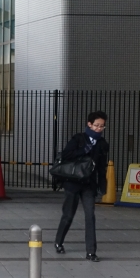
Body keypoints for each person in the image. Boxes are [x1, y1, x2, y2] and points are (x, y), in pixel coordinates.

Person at [53, 110, 109, 261]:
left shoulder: (103, 144)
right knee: (68, 215)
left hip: (89, 184)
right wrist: (83, 150)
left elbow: (102, 167)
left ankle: (91, 252)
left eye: (102, 126)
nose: (99, 128)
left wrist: (102, 185)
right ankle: (59, 241)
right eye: (96, 125)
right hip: (72, 183)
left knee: (90, 216)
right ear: (89, 124)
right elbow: (65, 155)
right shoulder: (78, 138)